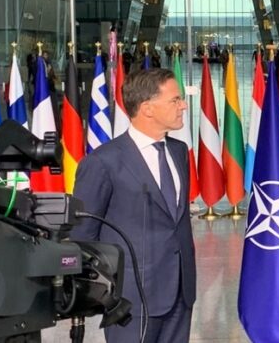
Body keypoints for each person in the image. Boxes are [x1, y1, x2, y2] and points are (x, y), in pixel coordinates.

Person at [70, 68, 196, 343]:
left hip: (181, 293)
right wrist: (102, 294)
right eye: (175, 100)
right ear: (147, 108)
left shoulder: (179, 152)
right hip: (131, 300)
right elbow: (83, 234)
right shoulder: (103, 162)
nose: (183, 106)